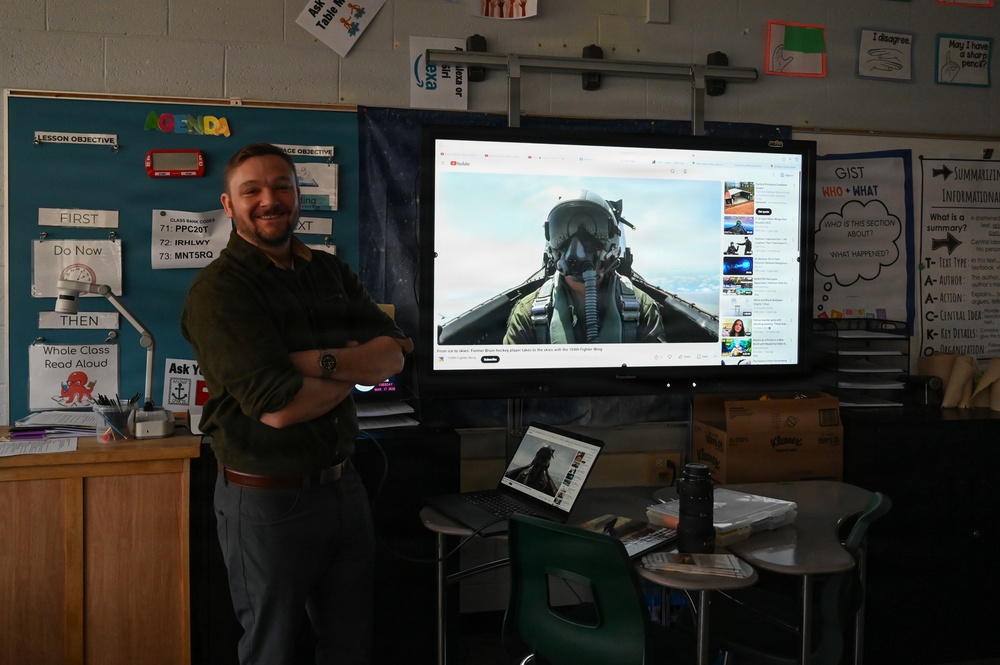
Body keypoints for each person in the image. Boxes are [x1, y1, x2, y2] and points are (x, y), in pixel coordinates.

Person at [181, 142, 412, 665]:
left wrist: (310, 362)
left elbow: (395, 352)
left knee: (350, 643)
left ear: (297, 194)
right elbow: (279, 408)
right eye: (253, 190)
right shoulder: (220, 291)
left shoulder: (328, 272)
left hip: (342, 488)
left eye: (282, 186)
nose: (270, 199)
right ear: (229, 203)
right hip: (267, 502)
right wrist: (356, 367)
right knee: (274, 649)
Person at [503, 190, 667, 344]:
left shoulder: (642, 308)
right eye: (564, 236)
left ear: (613, 242)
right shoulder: (527, 314)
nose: (576, 247)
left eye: (591, 238)